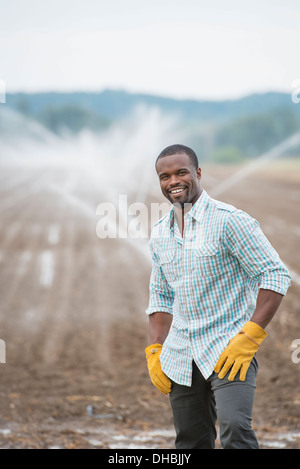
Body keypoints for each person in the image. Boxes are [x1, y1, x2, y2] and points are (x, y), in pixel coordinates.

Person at [145, 144, 291, 449]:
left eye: (181, 172)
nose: (173, 181)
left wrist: (250, 335)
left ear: (198, 173)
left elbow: (274, 274)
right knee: (190, 441)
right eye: (165, 176)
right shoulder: (160, 233)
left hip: (228, 349)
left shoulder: (230, 221)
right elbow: (160, 295)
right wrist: (155, 349)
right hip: (180, 355)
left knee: (235, 429)